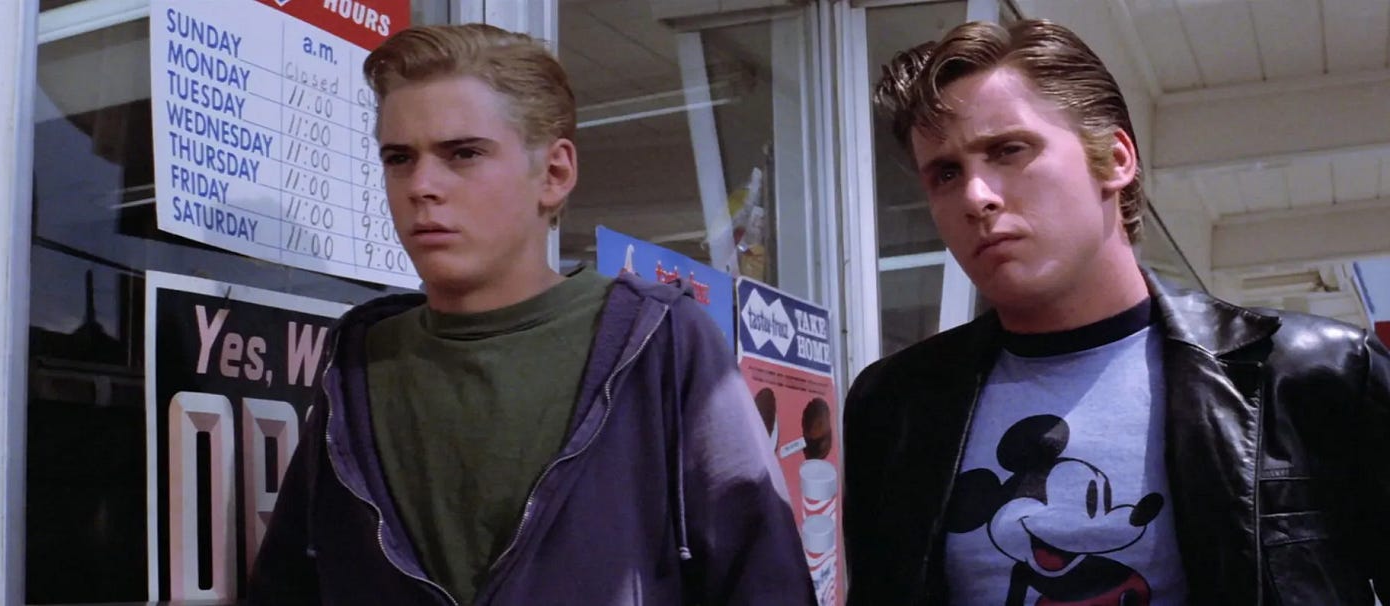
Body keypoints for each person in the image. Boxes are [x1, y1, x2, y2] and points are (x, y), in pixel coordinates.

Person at [249, 23, 814, 606]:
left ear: (554, 174)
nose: (421, 185)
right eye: (399, 158)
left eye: (463, 153)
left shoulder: (660, 342)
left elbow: (765, 584)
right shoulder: (359, 363)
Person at [845, 18, 1389, 605]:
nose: (976, 197)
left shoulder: (1313, 375)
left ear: (1115, 157)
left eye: (1008, 150)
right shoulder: (896, 405)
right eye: (946, 173)